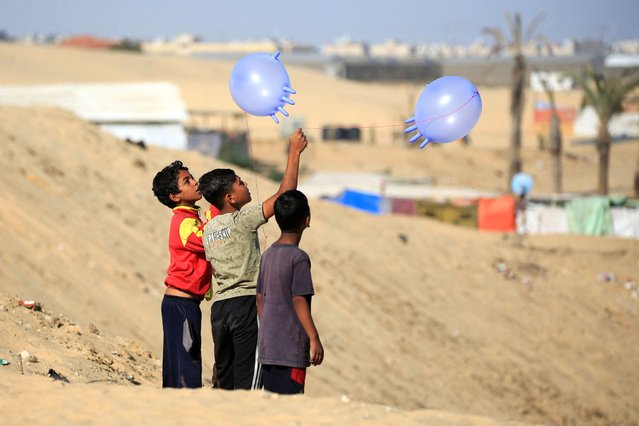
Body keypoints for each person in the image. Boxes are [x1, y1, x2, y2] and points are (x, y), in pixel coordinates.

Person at [199, 128, 308, 390]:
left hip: (220, 310)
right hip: (246, 305)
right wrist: (294, 153)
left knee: (224, 376)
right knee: (248, 380)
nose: (245, 183)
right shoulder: (242, 219)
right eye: (239, 182)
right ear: (230, 198)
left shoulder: (208, 229)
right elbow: (284, 197)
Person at [152, 160, 213, 388]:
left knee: (181, 363)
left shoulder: (192, 218)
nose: (195, 183)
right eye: (187, 181)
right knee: (186, 366)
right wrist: (217, 212)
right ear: (175, 196)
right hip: (181, 304)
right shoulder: (184, 221)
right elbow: (208, 240)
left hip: (185, 303)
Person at [256, 190, 323, 394]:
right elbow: (299, 299)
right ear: (307, 220)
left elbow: (259, 297)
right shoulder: (299, 258)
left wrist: (268, 326)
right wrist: (314, 337)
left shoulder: (267, 255)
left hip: (268, 347)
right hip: (290, 349)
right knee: (289, 401)